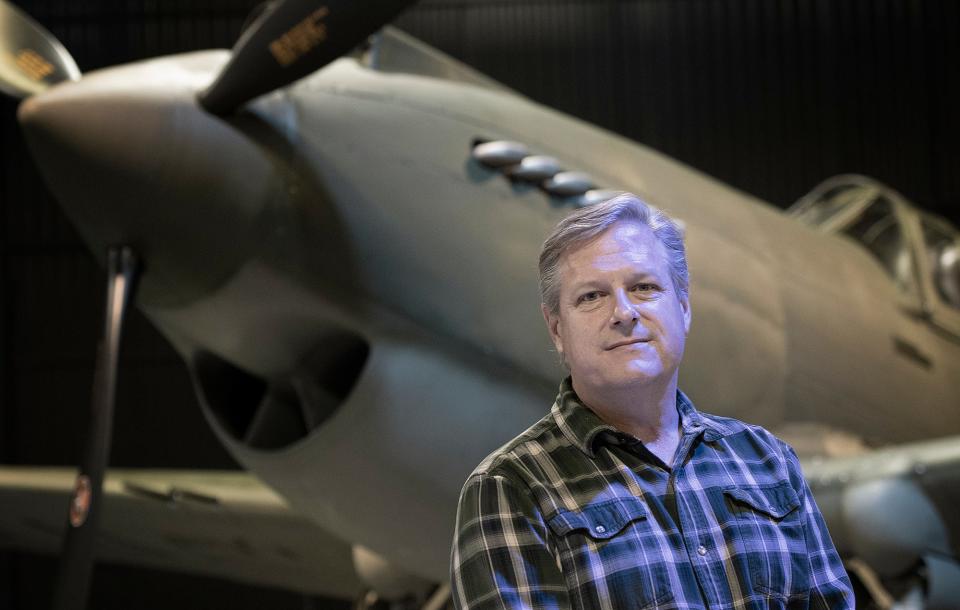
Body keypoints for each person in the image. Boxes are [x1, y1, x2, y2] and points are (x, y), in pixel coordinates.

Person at [450, 193, 853, 609]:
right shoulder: (511, 488)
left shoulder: (767, 461)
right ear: (557, 331)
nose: (623, 312)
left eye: (643, 287)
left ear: (683, 307)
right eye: (591, 296)